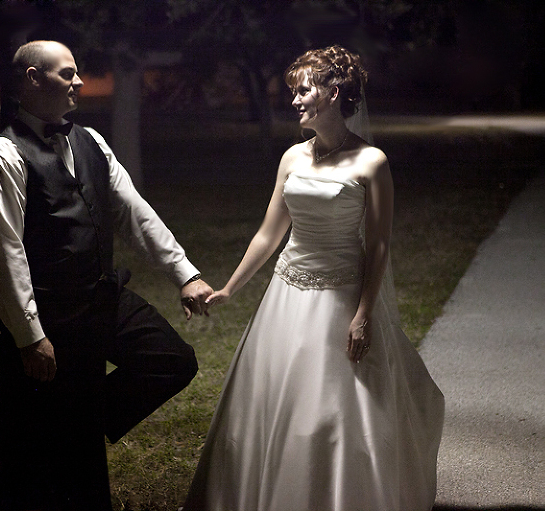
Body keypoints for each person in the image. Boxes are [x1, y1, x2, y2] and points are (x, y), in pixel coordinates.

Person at [181, 45, 445, 510]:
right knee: (276, 401)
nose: (295, 100)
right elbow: (269, 234)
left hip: (341, 295)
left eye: (303, 90)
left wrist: (363, 314)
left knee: (334, 409)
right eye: (295, 91)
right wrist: (230, 288)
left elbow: (378, 245)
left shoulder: (371, 162)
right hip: (287, 295)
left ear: (333, 93)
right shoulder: (291, 158)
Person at [0, 40, 213, 511]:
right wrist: (29, 336)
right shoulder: (2, 157)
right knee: (74, 486)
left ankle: (64, 426)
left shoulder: (92, 142)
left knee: (172, 360)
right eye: (67, 74)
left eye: (77, 72)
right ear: (32, 79)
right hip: (52, 317)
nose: (79, 82)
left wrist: (184, 273)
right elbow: (5, 256)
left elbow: (134, 213)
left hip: (103, 299)